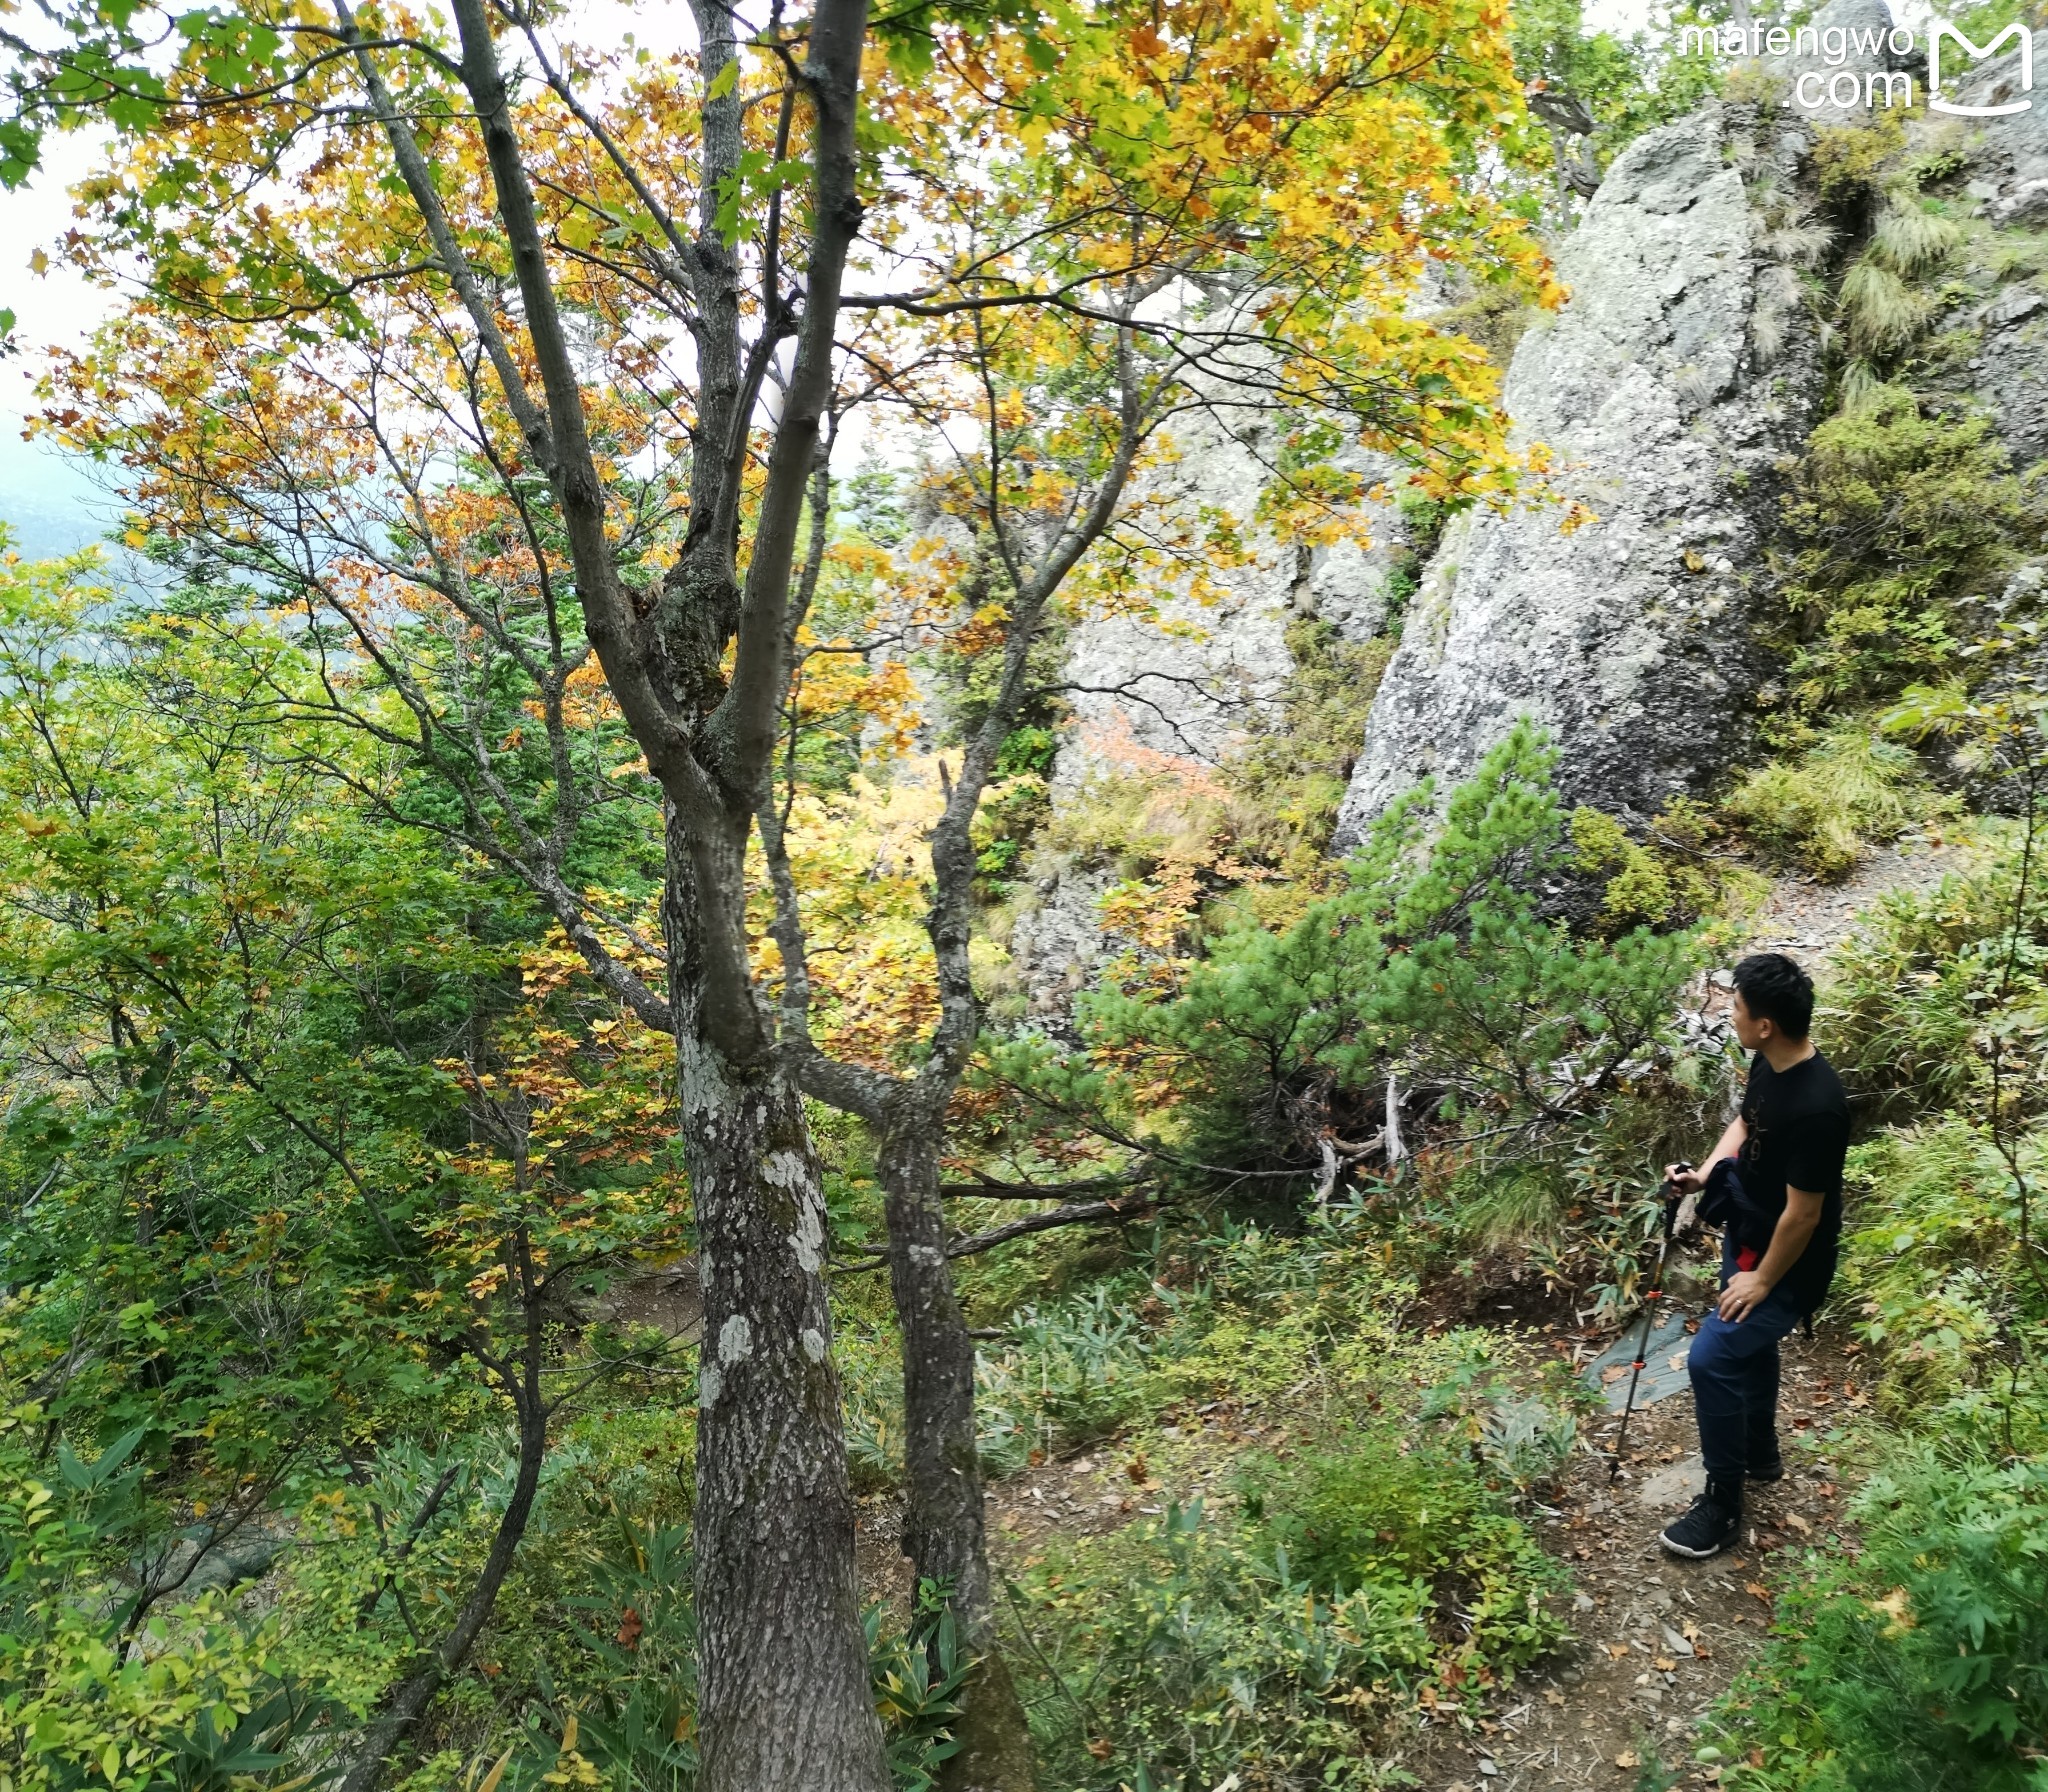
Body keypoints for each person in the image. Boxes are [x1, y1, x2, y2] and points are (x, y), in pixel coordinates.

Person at [1657, 952, 1850, 1559]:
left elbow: (1806, 1214)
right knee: (1750, 1349)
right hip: (1749, 1230)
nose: (1729, 1015)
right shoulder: (1768, 1063)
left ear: (1765, 1022)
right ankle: (1759, 1452)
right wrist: (1705, 1176)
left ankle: (1722, 1502)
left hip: (1789, 1262)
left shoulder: (1819, 1107)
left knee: (1711, 1359)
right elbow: (1746, 1123)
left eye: (1736, 1007)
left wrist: (1763, 1282)